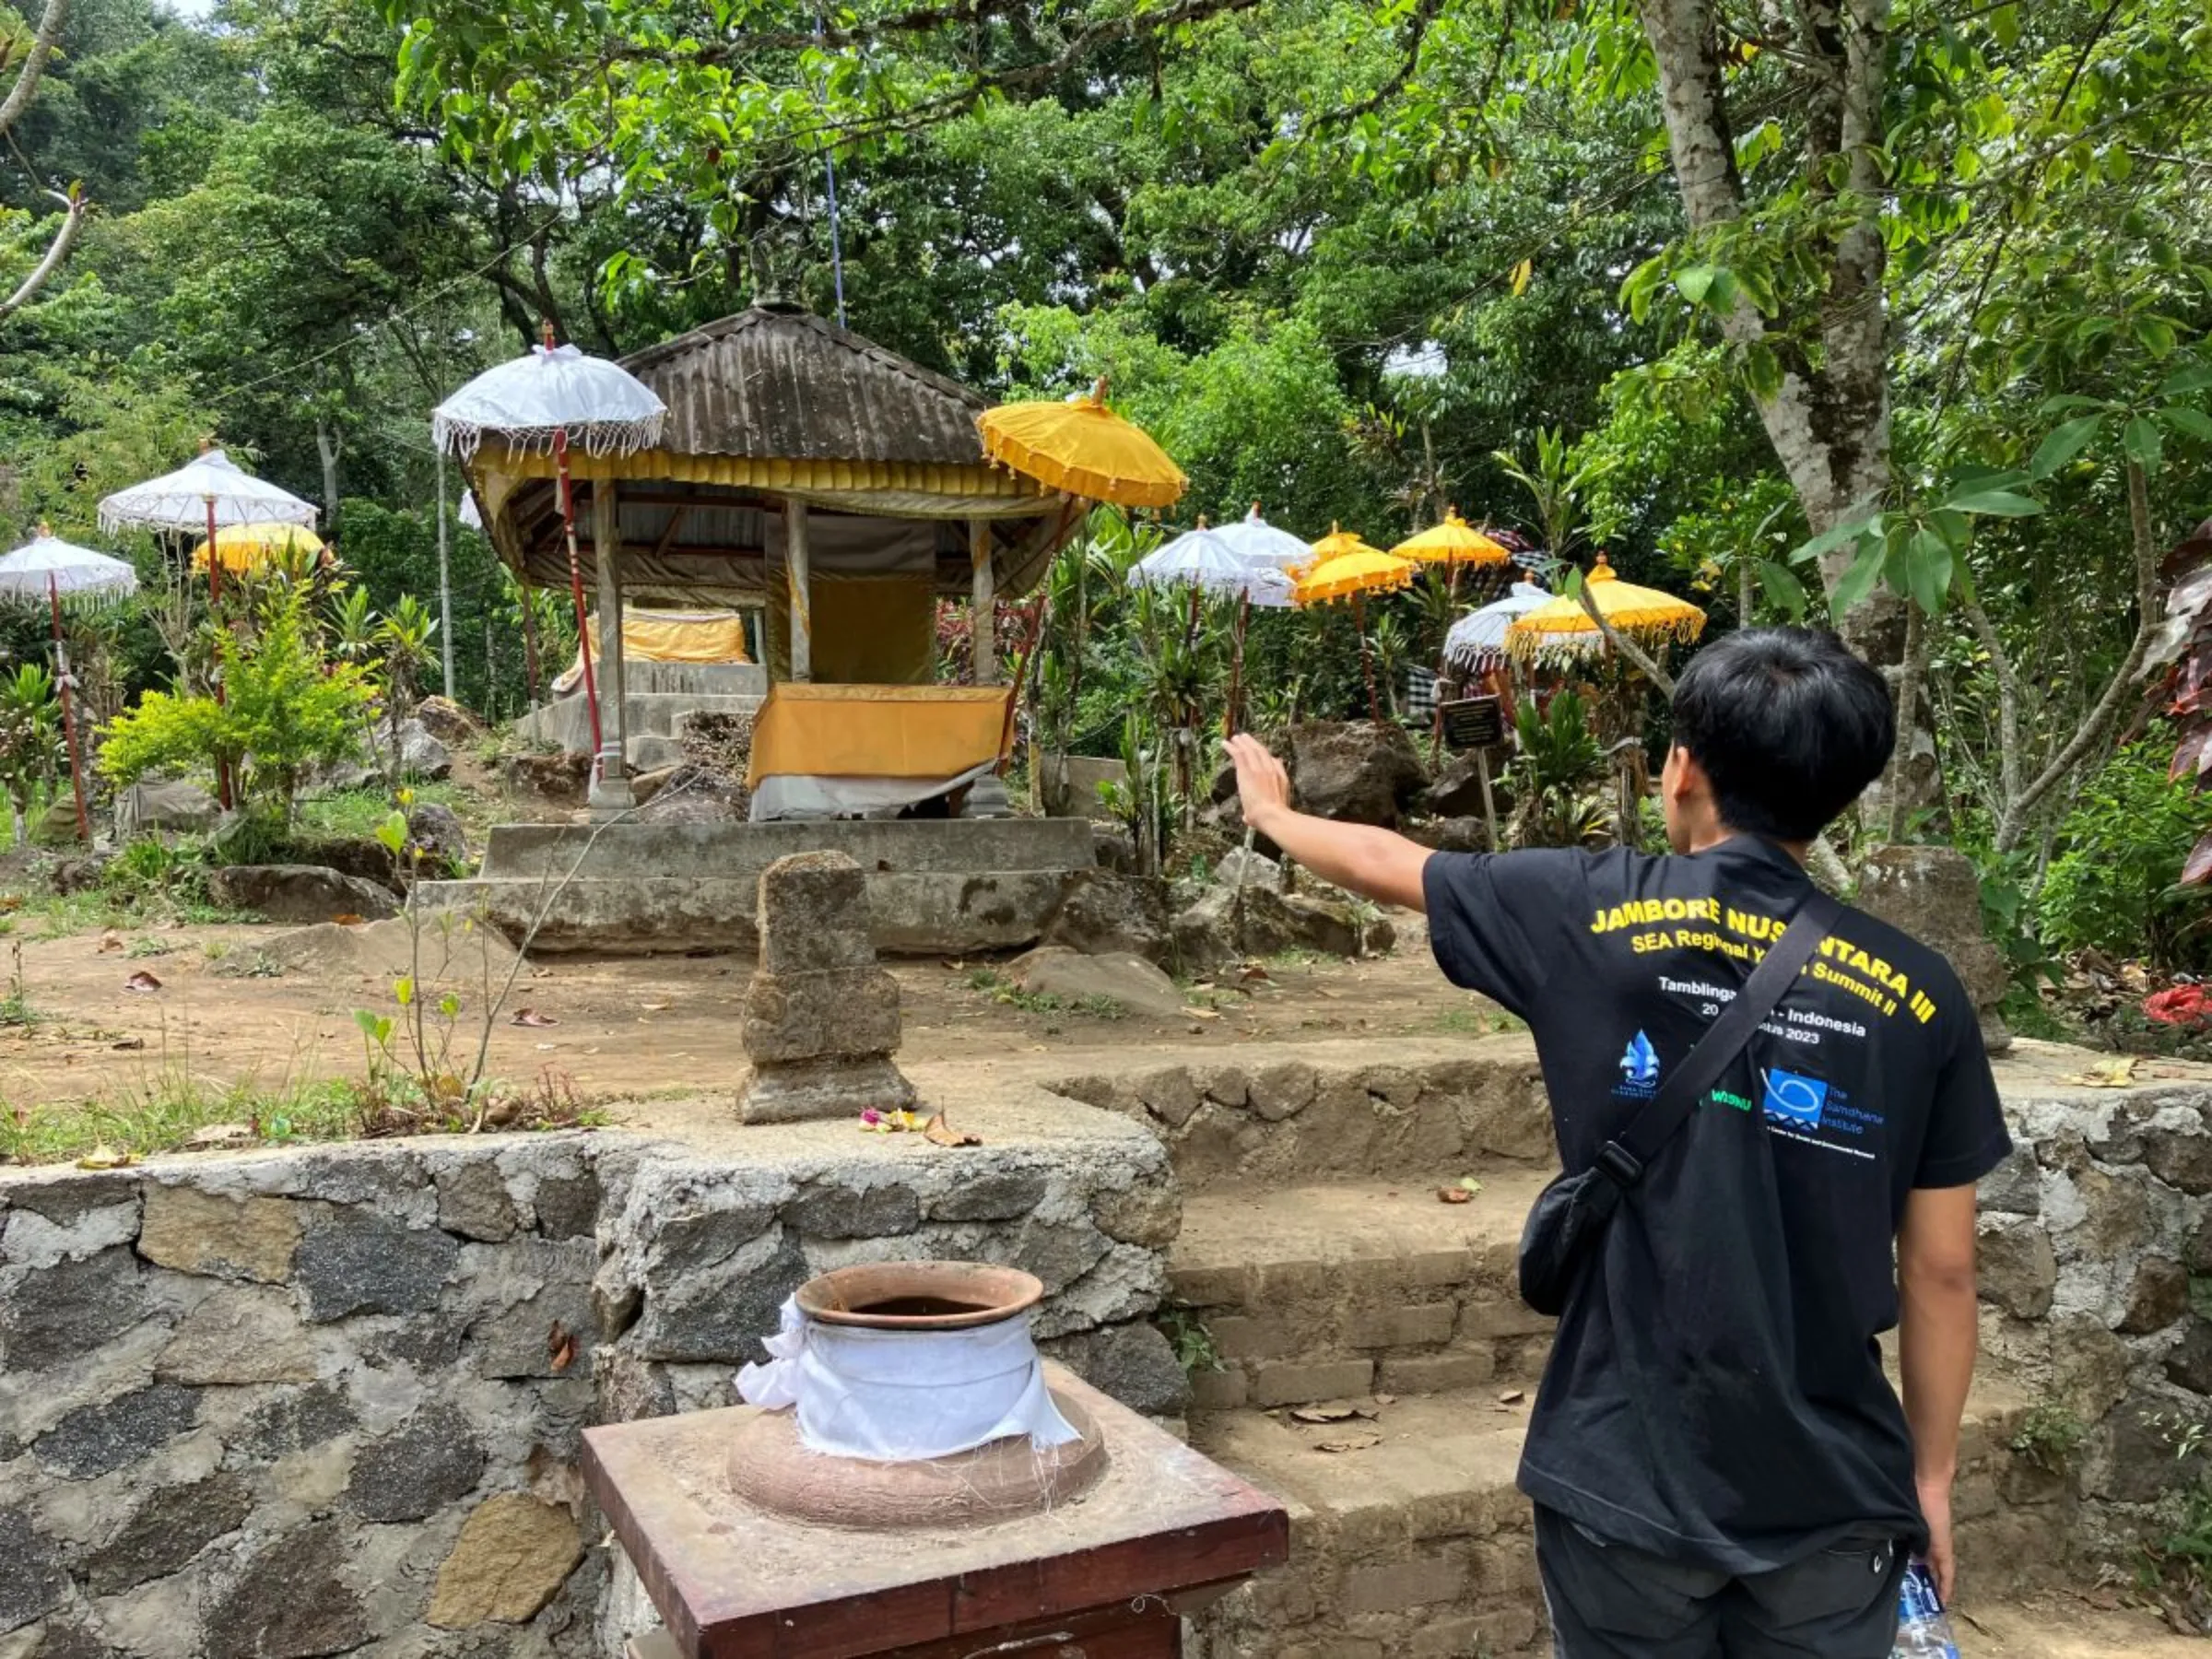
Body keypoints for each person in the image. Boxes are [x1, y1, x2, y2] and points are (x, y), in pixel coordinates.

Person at [1227, 626, 2009, 1659]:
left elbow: (1395, 865)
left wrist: (1273, 813)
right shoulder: (1921, 994)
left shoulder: (1587, 906)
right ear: (1840, 791)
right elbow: (1944, 1274)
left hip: (1623, 1472)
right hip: (1833, 1494)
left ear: (1682, 769)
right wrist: (1932, 1480)